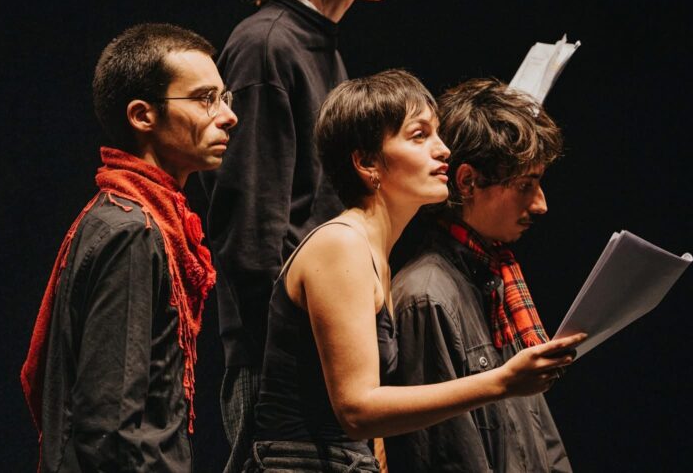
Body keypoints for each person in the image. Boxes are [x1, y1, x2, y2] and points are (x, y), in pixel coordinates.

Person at [247, 69, 584, 472]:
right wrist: (502, 382)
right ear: (367, 162)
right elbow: (357, 410)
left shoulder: (373, 253)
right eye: (419, 135)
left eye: (438, 134)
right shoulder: (341, 244)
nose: (443, 150)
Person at [201, 0, 396, 472]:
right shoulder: (267, 45)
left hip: (322, 342)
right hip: (281, 358)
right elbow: (250, 226)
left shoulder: (320, 45)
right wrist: (293, 345)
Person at [21, 23, 238, 472]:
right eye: (205, 99)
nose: (227, 116)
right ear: (142, 115)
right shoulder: (131, 231)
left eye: (224, 97)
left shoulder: (134, 218)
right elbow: (110, 424)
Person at [387, 77, 573, 472]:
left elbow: (541, 438)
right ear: (468, 181)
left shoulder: (499, 281)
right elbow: (445, 459)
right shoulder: (426, 298)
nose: (540, 205)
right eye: (525, 185)